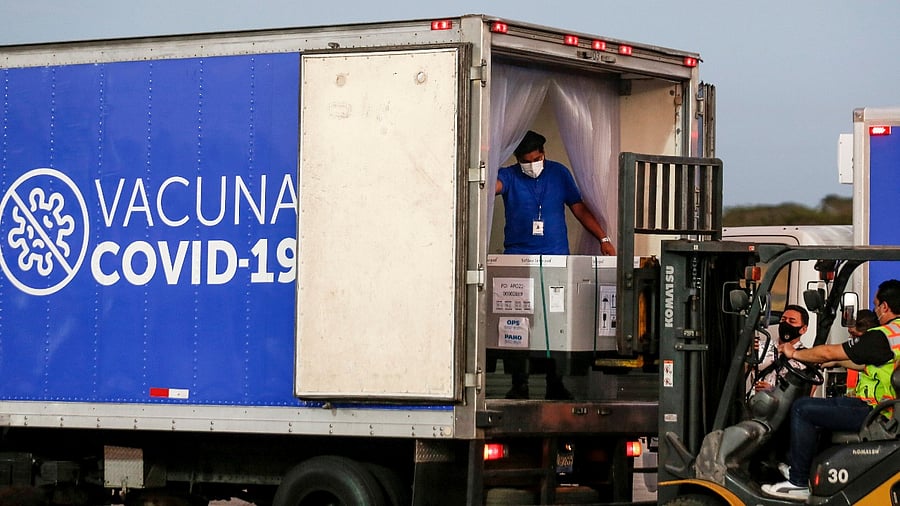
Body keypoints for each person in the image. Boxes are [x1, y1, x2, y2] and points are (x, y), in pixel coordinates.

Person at [495, 130, 615, 400]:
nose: (533, 164)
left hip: (556, 260)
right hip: (519, 260)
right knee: (518, 323)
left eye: (537, 158)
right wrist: (487, 158)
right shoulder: (509, 175)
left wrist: (603, 238)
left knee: (556, 323)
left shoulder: (559, 173)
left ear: (544, 154)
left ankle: (555, 382)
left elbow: (579, 207)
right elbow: (489, 187)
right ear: (518, 159)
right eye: (527, 160)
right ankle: (519, 384)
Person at [761, 279, 900, 500]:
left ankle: (798, 482)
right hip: (884, 409)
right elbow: (870, 364)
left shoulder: (882, 335)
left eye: (876, 305)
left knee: (802, 409)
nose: (875, 310)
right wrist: (837, 363)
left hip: (878, 413)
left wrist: (794, 354)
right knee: (823, 411)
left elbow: (828, 352)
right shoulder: (896, 335)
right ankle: (806, 469)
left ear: (885, 307)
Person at [749, 304, 810, 394]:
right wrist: (747, 354)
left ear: (803, 329)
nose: (786, 323)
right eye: (783, 320)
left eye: (792, 321)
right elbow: (740, 375)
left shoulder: (807, 358)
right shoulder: (761, 348)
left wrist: (774, 391)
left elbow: (806, 396)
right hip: (753, 404)